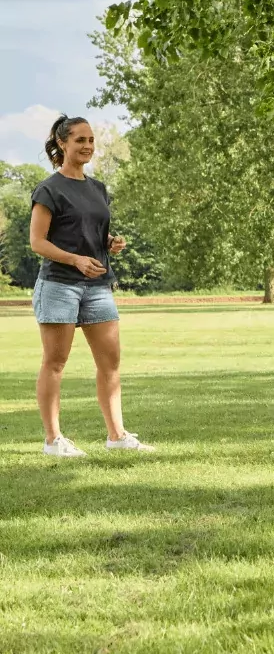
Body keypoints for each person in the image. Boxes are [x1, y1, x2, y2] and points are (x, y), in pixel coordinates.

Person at [28, 114, 155, 457]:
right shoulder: (49, 189)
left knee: (110, 363)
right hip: (60, 285)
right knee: (55, 362)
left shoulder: (97, 188)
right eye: (80, 140)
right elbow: (38, 242)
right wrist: (76, 260)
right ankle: (53, 440)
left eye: (90, 140)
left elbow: (91, 232)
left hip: (97, 286)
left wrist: (110, 242)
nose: (87, 146)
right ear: (62, 143)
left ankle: (117, 436)